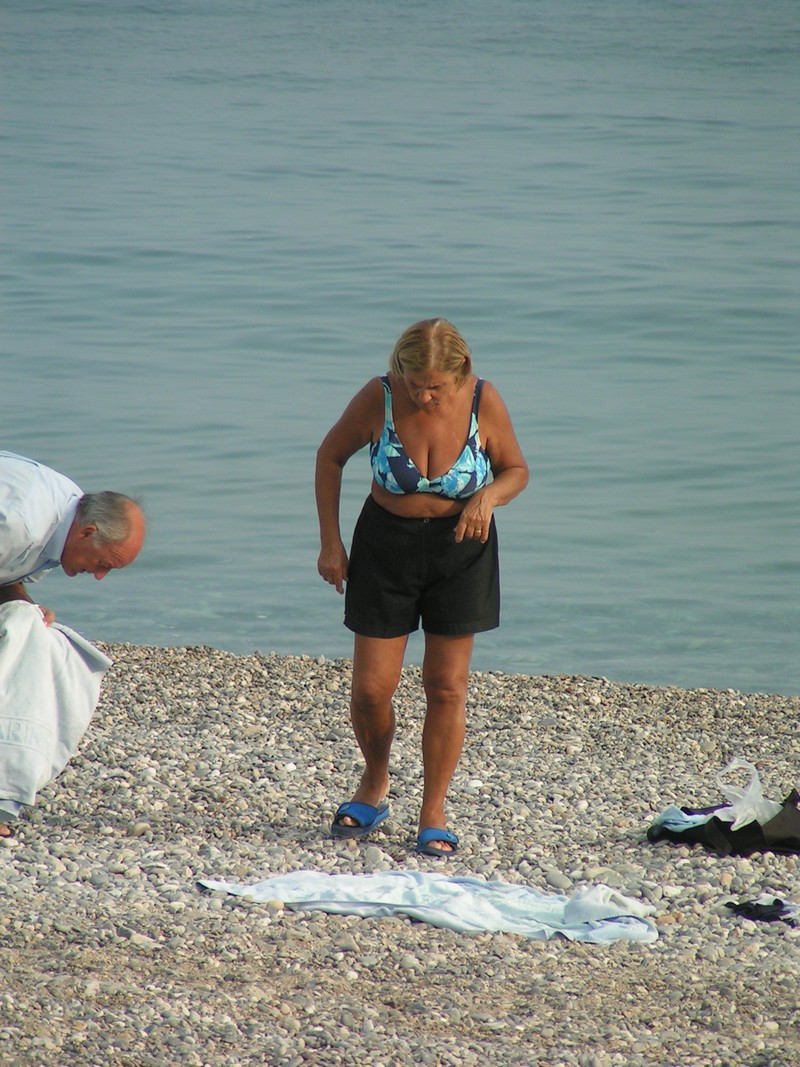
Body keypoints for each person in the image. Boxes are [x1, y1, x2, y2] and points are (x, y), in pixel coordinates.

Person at [315, 319, 528, 857]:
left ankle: (433, 810)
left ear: (461, 373)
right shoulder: (379, 396)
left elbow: (516, 470)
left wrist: (488, 498)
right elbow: (329, 457)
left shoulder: (484, 400)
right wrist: (331, 544)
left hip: (463, 547)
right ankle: (375, 781)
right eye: (415, 384)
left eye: (436, 386)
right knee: (370, 689)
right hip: (386, 546)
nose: (425, 394)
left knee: (447, 684)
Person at [0, 451, 146, 837]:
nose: (99, 576)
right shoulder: (20, 524)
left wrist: (22, 604)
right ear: (87, 533)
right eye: (104, 564)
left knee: (41, 639)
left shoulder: (68, 509)